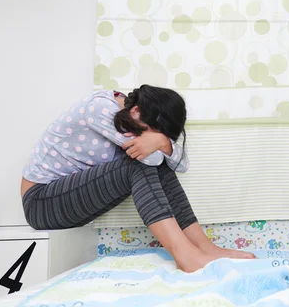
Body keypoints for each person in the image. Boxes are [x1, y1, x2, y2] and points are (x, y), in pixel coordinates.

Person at [20, 85, 254, 272]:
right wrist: (159, 144)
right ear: (135, 112)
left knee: (158, 164)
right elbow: (150, 160)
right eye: (152, 133)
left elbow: (181, 165)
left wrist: (161, 141)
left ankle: (205, 248)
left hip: (71, 202)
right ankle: (186, 255)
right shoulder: (100, 109)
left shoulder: (130, 113)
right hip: (41, 202)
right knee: (140, 163)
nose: (148, 138)